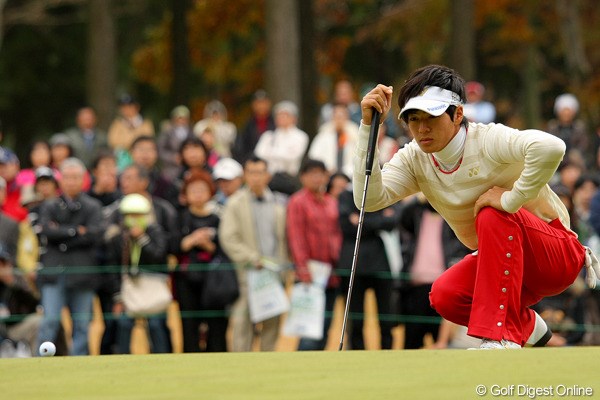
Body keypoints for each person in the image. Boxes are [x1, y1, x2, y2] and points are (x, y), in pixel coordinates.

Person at [355, 64, 596, 350]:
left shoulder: (488, 139)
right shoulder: (414, 158)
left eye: (431, 117)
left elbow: (551, 147)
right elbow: (367, 199)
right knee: (445, 295)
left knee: (492, 213)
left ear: (457, 115)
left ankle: (499, 337)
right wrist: (368, 128)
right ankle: (526, 325)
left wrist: (510, 199)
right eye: (413, 118)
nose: (421, 128)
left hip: (555, 257)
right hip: (507, 265)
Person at [219, 156, 288, 352]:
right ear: (245, 175)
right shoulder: (235, 203)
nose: (256, 178)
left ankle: (267, 368)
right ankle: (241, 369)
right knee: (242, 326)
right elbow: (228, 238)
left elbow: (284, 240)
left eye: (260, 173)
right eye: (251, 172)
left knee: (272, 326)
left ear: (267, 176)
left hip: (273, 275)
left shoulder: (278, 203)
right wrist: (251, 257)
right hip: (247, 274)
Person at [36, 158, 103, 355]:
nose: (71, 182)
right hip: (54, 272)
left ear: (83, 179)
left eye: (76, 177)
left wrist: (62, 233)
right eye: (67, 177)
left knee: (82, 324)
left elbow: (94, 235)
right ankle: (41, 361)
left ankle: (79, 362)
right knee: (50, 321)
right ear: (61, 180)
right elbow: (46, 231)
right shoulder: (50, 206)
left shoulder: (93, 206)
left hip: (82, 273)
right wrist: (76, 231)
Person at [396, 195, 471, 349]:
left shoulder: (452, 219)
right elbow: (402, 216)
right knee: (412, 340)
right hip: (416, 284)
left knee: (443, 341)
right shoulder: (416, 214)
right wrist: (418, 199)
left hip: (443, 285)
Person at [286, 159, 342, 350]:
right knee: (308, 329)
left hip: (331, 274)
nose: (317, 177)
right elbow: (296, 237)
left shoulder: (331, 202)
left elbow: (337, 235)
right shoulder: (297, 201)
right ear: (302, 177)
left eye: (321, 173)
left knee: (326, 326)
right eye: (311, 173)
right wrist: (303, 269)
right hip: (308, 274)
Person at [105, 193, 171, 354]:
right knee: (124, 324)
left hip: (153, 288)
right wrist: (117, 297)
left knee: (156, 324)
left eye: (139, 215)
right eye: (130, 215)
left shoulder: (156, 232)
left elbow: (158, 256)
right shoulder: (118, 238)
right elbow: (113, 269)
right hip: (129, 290)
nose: (134, 219)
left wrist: (142, 238)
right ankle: (122, 362)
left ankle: (162, 361)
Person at [176, 171, 232, 352]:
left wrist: (209, 245)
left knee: (216, 324)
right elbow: (172, 246)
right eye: (193, 190)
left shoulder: (219, 218)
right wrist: (191, 240)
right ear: (185, 194)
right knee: (189, 324)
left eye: (202, 189)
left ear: (211, 193)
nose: (198, 194)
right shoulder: (181, 217)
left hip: (214, 280)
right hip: (187, 279)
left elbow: (225, 248)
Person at [337, 187, 399, 350]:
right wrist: (379, 218)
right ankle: (356, 353)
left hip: (381, 263)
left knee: (386, 316)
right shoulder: (346, 194)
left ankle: (387, 353)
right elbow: (346, 225)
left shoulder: (383, 192)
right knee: (355, 319)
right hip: (353, 263)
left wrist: (360, 219)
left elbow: (392, 221)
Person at [0, 241, 41, 357]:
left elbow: (34, 303)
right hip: (2, 329)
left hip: (14, 328)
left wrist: (12, 284)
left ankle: (36, 361)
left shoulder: (16, 280)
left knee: (39, 321)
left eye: (3, 263)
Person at [254, 101, 309, 178]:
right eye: (279, 115)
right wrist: (283, 153)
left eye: (285, 115)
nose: (281, 118)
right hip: (269, 176)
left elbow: (293, 157)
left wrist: (271, 153)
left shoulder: (301, 136)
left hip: (289, 176)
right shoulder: (268, 135)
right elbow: (259, 154)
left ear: (294, 118)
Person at [308, 103, 359, 177]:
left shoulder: (354, 133)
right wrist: (326, 169)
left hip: (351, 175)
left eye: (341, 116)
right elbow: (314, 156)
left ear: (347, 117)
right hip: (328, 175)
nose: (339, 119)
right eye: (336, 116)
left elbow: (360, 156)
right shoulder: (324, 134)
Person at [108, 94, 155, 171]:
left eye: (129, 106)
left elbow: (148, 140)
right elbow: (113, 142)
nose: (126, 110)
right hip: (122, 160)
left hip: (142, 160)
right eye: (123, 107)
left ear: (137, 107)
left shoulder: (146, 123)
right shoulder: (117, 124)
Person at [546, 94, 590, 169]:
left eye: (568, 110)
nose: (566, 113)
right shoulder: (552, 127)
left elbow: (584, 145)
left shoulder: (579, 128)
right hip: (556, 164)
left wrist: (576, 154)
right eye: (563, 110)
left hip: (575, 164)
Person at [233, 89, 275, 164]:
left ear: (269, 104)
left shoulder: (276, 123)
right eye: (258, 103)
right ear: (253, 105)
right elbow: (240, 148)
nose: (261, 106)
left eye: (263, 103)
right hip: (252, 164)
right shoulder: (246, 125)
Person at [157, 105, 193, 181]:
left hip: (188, 166)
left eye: (184, 118)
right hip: (171, 168)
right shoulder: (167, 132)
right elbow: (160, 150)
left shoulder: (191, 131)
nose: (181, 121)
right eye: (179, 118)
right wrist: (172, 157)